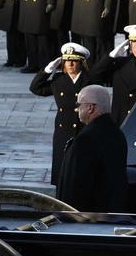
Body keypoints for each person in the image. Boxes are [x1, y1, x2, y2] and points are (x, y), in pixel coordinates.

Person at [54, 85, 127, 213]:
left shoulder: (86, 139)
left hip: (88, 216)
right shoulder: (117, 134)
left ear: (90, 108)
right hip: (110, 212)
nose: (77, 109)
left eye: (79, 105)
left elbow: (74, 186)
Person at [30, 42, 92, 186]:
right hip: (63, 131)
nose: (70, 64)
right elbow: (35, 88)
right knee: (62, 171)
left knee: (81, 172)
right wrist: (47, 70)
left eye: (74, 60)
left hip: (83, 130)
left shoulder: (89, 80)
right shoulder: (59, 80)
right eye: (67, 60)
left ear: (81, 63)